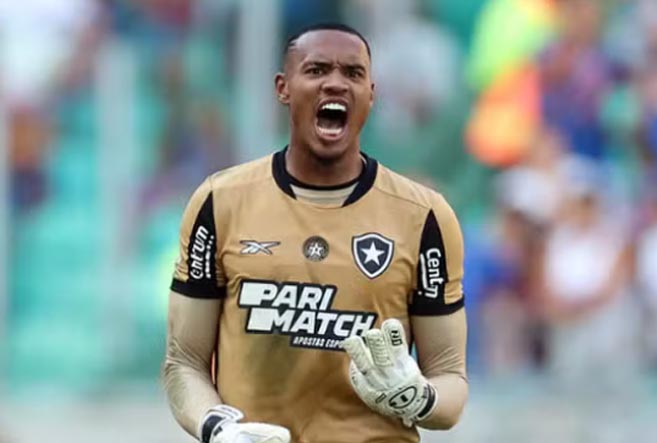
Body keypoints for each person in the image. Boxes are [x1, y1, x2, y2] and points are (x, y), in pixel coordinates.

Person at [162, 23, 468, 443]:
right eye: (317, 70)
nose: (336, 83)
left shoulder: (424, 216)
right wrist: (218, 428)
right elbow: (183, 363)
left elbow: (451, 380)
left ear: (371, 94)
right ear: (283, 88)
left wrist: (421, 398)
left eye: (353, 73)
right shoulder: (220, 202)